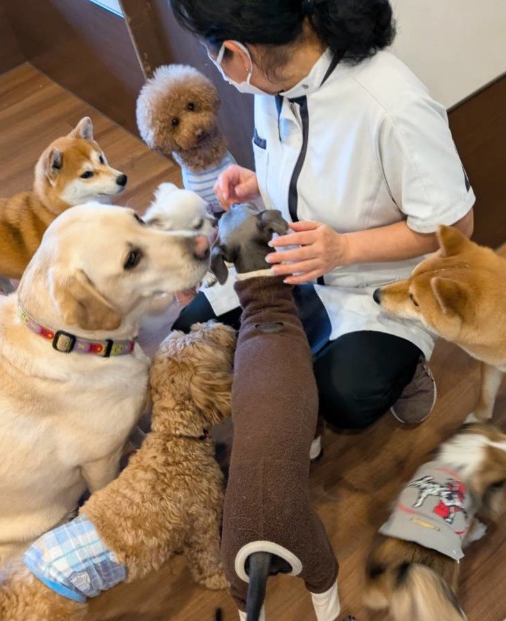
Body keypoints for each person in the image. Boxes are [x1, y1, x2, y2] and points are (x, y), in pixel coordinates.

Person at [169, 0, 475, 439]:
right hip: (291, 255)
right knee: (192, 328)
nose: (216, 66)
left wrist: (344, 249)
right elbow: (313, 166)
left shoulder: (392, 106)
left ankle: (406, 370)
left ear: (240, 51)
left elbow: (456, 227)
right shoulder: (272, 79)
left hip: (375, 283)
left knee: (342, 398)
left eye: (211, 53)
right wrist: (260, 182)